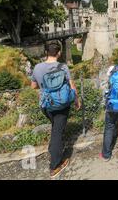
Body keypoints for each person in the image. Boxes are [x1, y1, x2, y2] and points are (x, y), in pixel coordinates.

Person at [31, 41, 81, 179]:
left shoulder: (37, 68)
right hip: (61, 105)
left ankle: (53, 150)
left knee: (55, 128)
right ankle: (55, 166)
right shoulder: (62, 66)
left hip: (46, 105)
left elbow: (33, 86)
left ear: (46, 52)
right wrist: (76, 99)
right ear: (59, 53)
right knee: (58, 132)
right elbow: (71, 85)